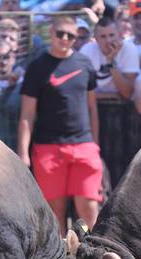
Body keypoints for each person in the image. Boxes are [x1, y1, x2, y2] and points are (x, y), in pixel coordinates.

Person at [17, 15, 102, 232]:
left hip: (84, 145)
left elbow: (92, 108)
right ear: (51, 33)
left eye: (71, 35)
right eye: (60, 34)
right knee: (55, 212)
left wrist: (95, 144)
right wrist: (23, 154)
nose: (65, 39)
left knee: (90, 206)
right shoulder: (37, 68)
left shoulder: (84, 63)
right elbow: (27, 114)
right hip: (48, 147)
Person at [80, 17, 140, 100]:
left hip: (122, 106)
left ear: (119, 35)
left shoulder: (129, 49)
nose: (108, 40)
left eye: (111, 35)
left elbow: (128, 93)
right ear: (96, 38)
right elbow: (81, 91)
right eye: (103, 36)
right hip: (94, 102)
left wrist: (111, 62)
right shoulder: (86, 50)